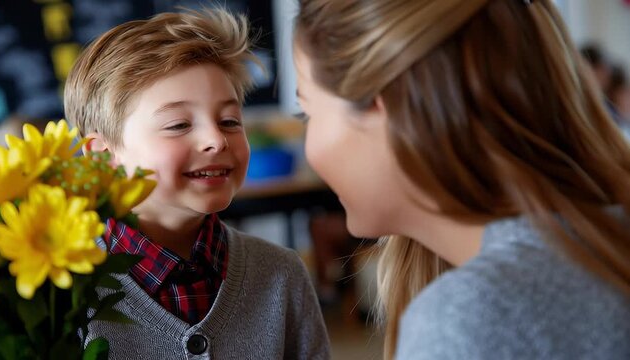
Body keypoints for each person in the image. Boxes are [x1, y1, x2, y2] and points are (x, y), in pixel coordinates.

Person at [293, 0, 630, 359]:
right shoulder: (605, 233)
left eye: (307, 113)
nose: (308, 143)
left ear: (382, 105)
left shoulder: (469, 319)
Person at [64, 8, 329, 359]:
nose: (216, 140)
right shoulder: (61, 292)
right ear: (103, 156)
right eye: (178, 125)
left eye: (230, 120)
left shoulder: (282, 274)